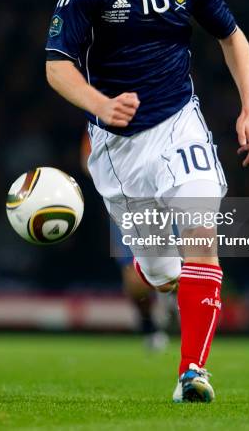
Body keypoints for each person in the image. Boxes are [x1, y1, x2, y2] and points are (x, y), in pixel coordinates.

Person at [45, 0, 249, 403]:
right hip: (117, 149)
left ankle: (192, 373)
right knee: (162, 270)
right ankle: (171, 286)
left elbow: (232, 38)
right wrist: (101, 104)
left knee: (200, 233)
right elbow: (56, 65)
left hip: (178, 124)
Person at [80, 130, 173, 351]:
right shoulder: (102, 113)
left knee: (181, 268)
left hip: (165, 199)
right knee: (134, 279)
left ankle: (172, 304)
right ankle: (149, 325)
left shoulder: (165, 110)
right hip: (126, 202)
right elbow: (86, 159)